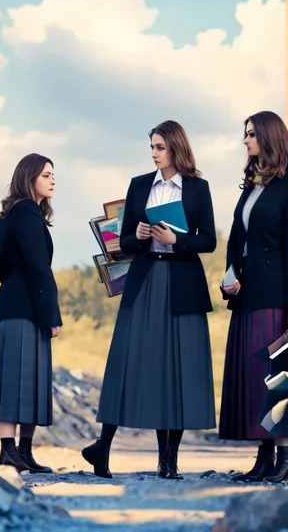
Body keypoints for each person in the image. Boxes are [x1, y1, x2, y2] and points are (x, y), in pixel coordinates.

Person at [82, 120, 216, 480]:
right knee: (127, 360)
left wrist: (178, 240)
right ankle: (102, 449)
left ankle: (168, 461)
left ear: (175, 147)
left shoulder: (198, 188)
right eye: (152, 148)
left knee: (178, 368)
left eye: (160, 147)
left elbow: (210, 241)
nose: (155, 154)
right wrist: (138, 234)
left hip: (182, 282)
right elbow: (122, 241)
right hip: (144, 283)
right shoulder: (140, 185)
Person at [219, 111, 288, 483]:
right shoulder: (252, 184)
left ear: (270, 137)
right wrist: (229, 276)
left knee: (278, 374)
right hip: (248, 296)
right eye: (245, 135)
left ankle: (286, 458)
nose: (246, 141)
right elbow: (237, 240)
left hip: (277, 298)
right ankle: (264, 457)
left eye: (252, 135)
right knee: (255, 375)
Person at [0, 153, 63, 473]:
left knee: (27, 380)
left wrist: (15, 285)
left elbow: (1, 263)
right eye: (46, 175)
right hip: (25, 310)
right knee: (19, 380)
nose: (52, 180)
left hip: (17, 305)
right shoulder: (26, 211)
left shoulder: (13, 212)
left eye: (53, 175)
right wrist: (51, 314)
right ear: (29, 178)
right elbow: (39, 267)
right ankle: (9, 452)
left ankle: (22, 453)